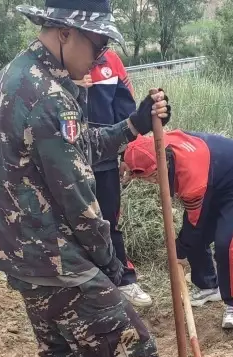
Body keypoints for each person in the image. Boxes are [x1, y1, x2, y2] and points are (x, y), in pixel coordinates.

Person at [0, 0, 196, 357]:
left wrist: (133, 126)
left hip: (22, 251)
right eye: (96, 45)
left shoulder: (24, 72)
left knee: (62, 354)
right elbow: (79, 200)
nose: (99, 59)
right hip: (54, 256)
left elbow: (72, 147)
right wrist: (111, 262)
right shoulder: (47, 93)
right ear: (63, 31)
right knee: (131, 351)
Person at [121, 129, 233, 329]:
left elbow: (194, 224)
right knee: (192, 239)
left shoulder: (190, 175)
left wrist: (179, 251)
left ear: (162, 164)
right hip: (213, 178)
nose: (151, 182)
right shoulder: (155, 145)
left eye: (152, 177)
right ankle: (208, 286)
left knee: (226, 244)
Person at [82, 48, 153, 307]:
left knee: (109, 222)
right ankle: (86, 289)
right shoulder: (58, 61)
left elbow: (125, 110)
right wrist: (73, 86)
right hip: (66, 165)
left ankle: (124, 280)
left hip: (105, 162)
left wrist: (127, 154)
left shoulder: (111, 61)